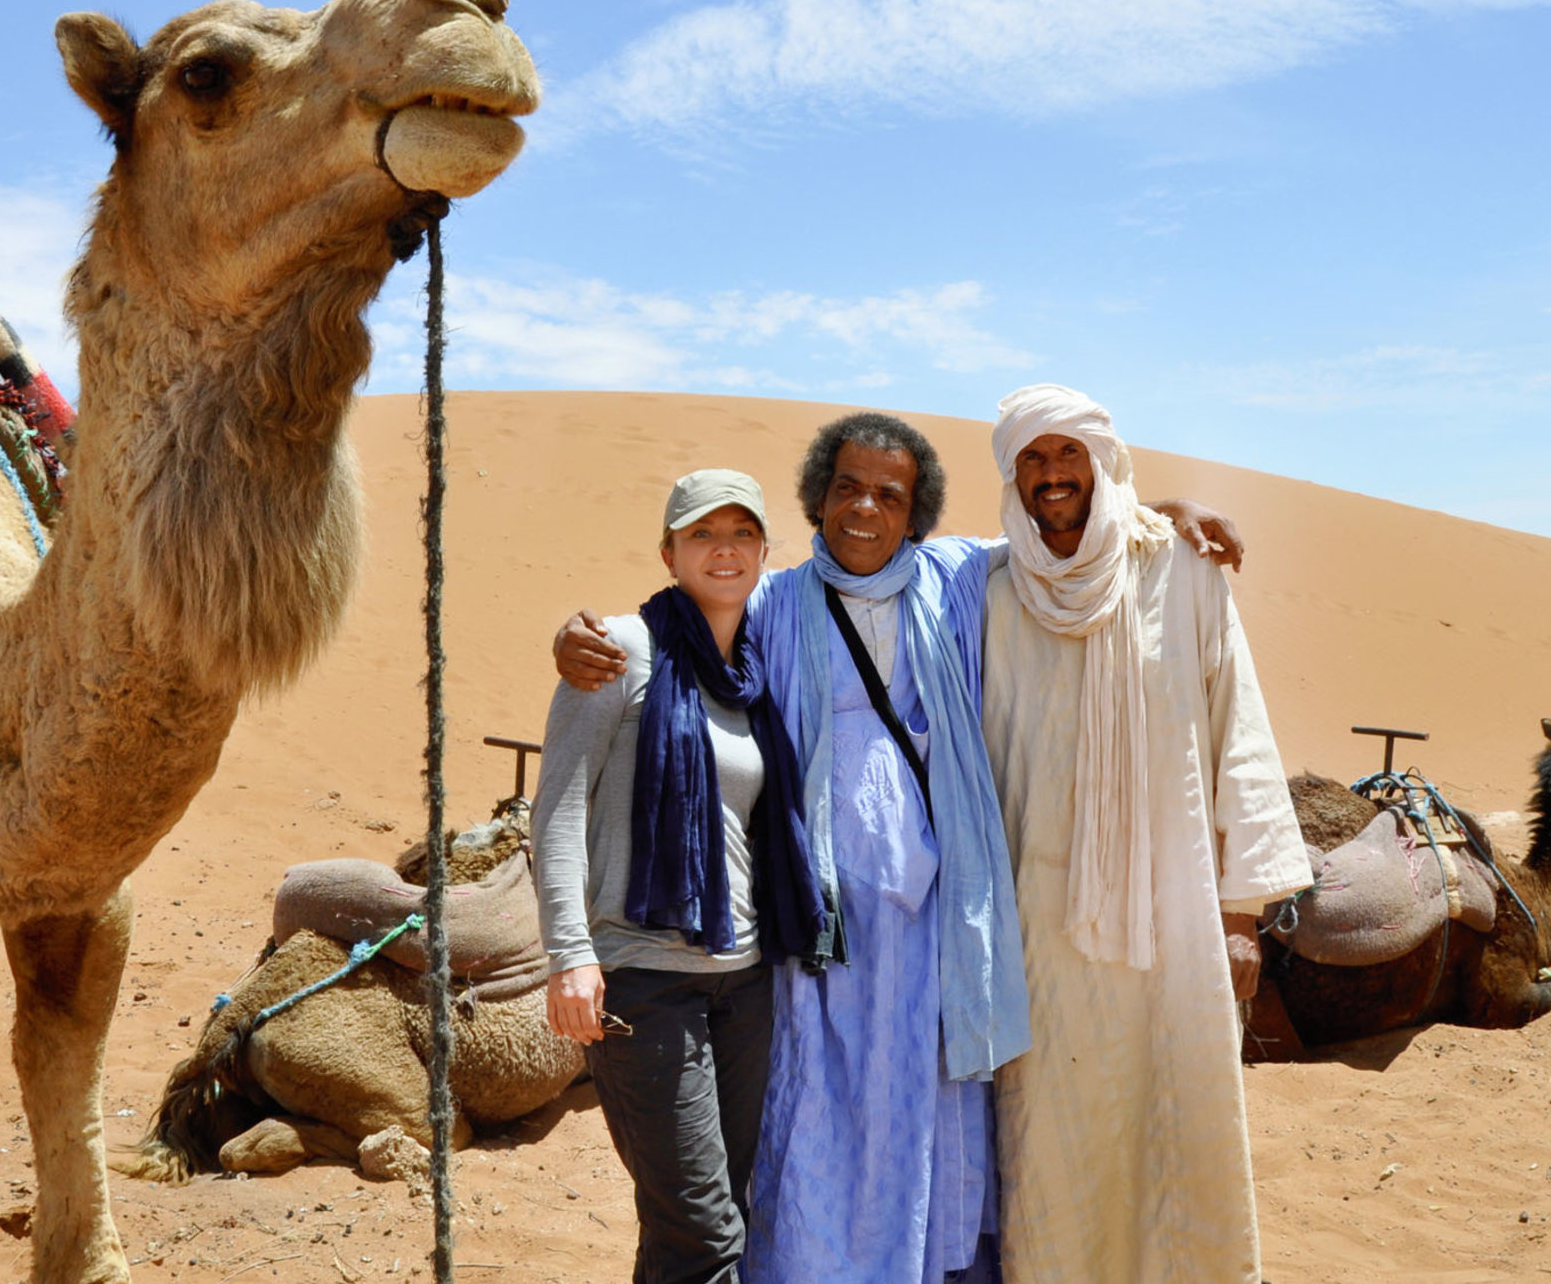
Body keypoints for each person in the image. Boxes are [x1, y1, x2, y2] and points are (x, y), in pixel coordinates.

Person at [553, 414, 1243, 1284]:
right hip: (813, 924)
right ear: (818, 495)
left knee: (922, 1097)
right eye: (848, 487)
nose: (866, 508)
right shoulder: (772, 599)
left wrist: (1154, 509)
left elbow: (1057, 537)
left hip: (933, 915)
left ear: (917, 512)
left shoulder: (958, 577)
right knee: (817, 1104)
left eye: (891, 494)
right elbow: (684, 621)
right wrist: (579, 639)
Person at [979, 384, 1313, 1284]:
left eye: (1070, 455)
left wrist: (1244, 916)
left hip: (1172, 920)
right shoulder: (990, 589)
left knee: (1177, 1129)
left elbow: (1237, 733)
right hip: (1041, 928)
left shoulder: (1185, 574)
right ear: (1012, 475)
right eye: (1033, 459)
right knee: (1054, 1144)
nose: (1053, 475)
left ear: (1102, 461)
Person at [531, 469, 814, 1284]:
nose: (723, 550)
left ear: (764, 550)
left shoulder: (761, 670)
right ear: (669, 551)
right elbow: (557, 810)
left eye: (740, 534)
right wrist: (569, 954)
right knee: (704, 1232)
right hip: (644, 980)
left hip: (747, 983)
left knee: (708, 1219)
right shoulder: (615, 654)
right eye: (701, 534)